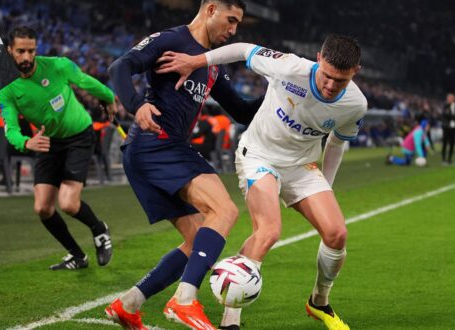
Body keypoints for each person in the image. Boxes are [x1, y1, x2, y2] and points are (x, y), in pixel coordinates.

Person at [155, 34, 367, 330]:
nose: (331, 86)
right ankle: (231, 319)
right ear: (318, 58)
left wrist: (325, 187)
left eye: (340, 81)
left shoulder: (356, 104)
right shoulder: (290, 67)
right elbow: (243, 50)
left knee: (336, 234)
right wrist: (196, 61)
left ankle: (319, 302)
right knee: (268, 231)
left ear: (355, 73)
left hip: (301, 166)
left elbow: (336, 144)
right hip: (259, 156)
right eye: (327, 76)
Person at [104, 1, 264, 329]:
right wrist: (136, 106)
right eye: (230, 20)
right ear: (210, 9)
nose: (233, 31)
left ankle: (129, 304)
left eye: (238, 25)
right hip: (155, 144)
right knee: (225, 211)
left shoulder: (211, 63)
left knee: (196, 243)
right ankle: (184, 300)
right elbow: (119, 68)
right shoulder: (171, 40)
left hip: (156, 151)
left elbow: (242, 111)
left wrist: (283, 87)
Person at [0, 26, 115, 271]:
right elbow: (10, 128)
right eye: (21, 51)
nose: (27, 57)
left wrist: (109, 99)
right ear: (10, 51)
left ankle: (99, 229)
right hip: (48, 142)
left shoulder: (58, 66)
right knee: (42, 208)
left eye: (31, 51)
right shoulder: (6, 87)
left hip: (78, 136)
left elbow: (89, 84)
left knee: (69, 204)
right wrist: (26, 142)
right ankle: (77, 256)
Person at [441, 93, 455, 165]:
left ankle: (449, 159)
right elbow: (445, 115)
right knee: (445, 143)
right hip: (446, 127)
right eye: (449, 98)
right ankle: (443, 159)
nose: (451, 99)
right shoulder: (445, 106)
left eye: (452, 98)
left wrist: (453, 117)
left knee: (452, 143)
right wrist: (453, 116)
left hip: (453, 127)